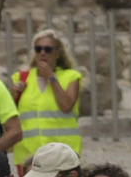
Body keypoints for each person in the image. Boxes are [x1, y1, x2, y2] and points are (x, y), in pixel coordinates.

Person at [9, 29, 83, 166]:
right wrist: (14, 93)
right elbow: (8, 115)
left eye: (48, 49)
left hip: (62, 155)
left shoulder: (71, 77)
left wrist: (51, 78)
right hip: (28, 156)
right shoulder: (20, 78)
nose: (42, 53)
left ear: (58, 53)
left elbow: (66, 106)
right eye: (38, 49)